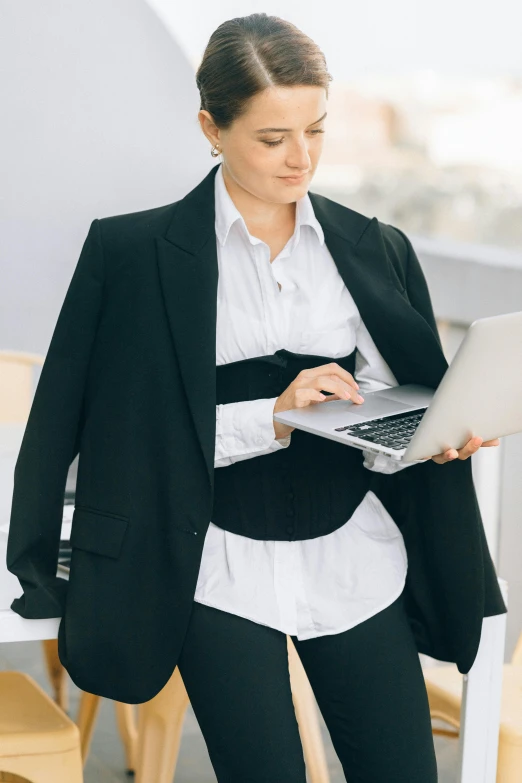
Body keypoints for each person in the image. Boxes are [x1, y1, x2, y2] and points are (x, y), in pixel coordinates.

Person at [7, 12, 506, 783]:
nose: (299, 157)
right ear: (211, 125)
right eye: (272, 138)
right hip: (212, 566)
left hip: (354, 559)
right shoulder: (130, 255)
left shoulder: (376, 246)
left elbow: (400, 394)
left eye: (315, 129)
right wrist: (272, 414)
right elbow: (101, 434)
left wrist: (433, 432)